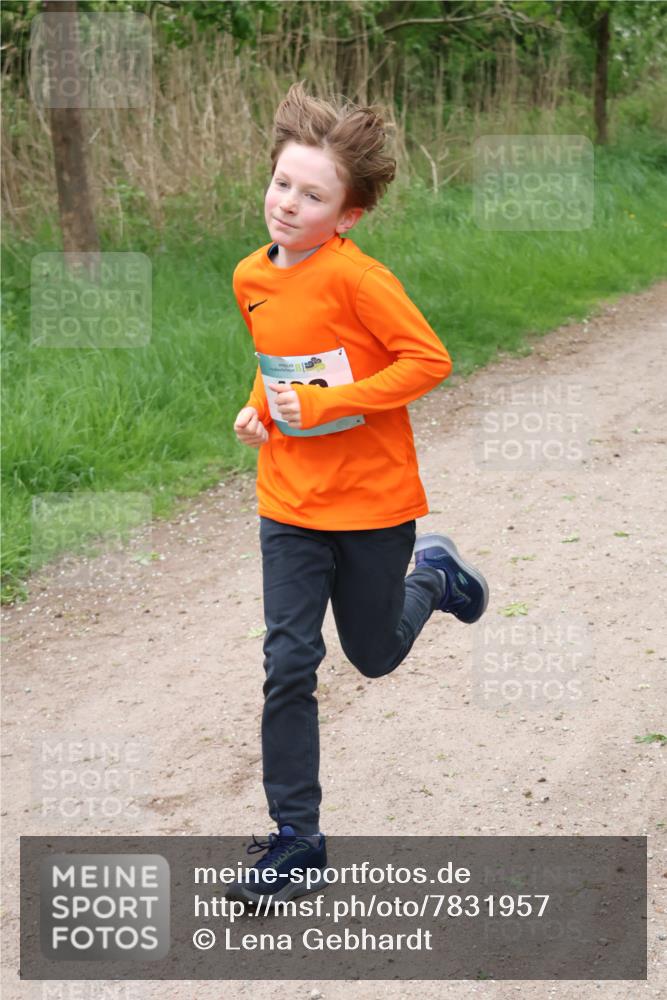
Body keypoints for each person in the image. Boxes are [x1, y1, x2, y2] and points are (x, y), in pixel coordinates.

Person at [225, 82, 489, 906]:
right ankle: (297, 840)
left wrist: (332, 405)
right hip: (289, 504)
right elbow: (281, 359)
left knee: (371, 655)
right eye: (282, 184)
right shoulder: (249, 277)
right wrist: (259, 410)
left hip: (372, 506)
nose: (288, 203)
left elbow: (427, 361)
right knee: (288, 661)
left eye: (312, 194)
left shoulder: (358, 279)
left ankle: (433, 577)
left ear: (347, 214)